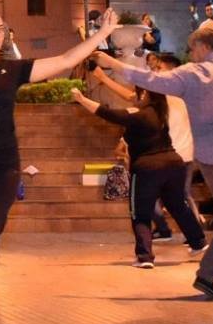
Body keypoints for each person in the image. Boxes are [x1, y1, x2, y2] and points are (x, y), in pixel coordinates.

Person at [0, 7, 120, 324]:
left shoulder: (12, 70)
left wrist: (101, 34)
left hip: (1, 163)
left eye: (1, 29)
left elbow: (65, 60)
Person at [95, 22, 213, 301]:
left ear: (203, 47)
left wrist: (110, 63)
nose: (190, 54)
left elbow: (150, 81)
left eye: (191, 49)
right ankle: (207, 273)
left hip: (210, 159)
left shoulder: (188, 75)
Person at [71, 82, 206, 267]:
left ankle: (145, 257)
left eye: (136, 93)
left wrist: (81, 99)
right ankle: (198, 242)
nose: (132, 96)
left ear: (144, 95)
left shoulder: (139, 115)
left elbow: (107, 114)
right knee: (178, 207)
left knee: (140, 213)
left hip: (147, 168)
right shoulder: (160, 113)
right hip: (174, 164)